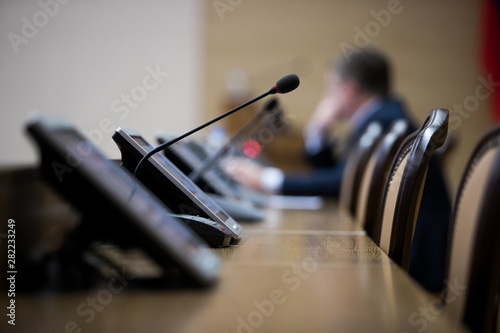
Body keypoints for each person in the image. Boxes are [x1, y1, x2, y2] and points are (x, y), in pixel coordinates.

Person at [225, 47, 451, 292]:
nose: (326, 96)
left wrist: (268, 180)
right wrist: (317, 133)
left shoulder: (384, 122)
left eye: (330, 88)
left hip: (421, 257)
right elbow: (343, 174)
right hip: (416, 250)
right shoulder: (383, 116)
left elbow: (342, 182)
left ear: (349, 89)